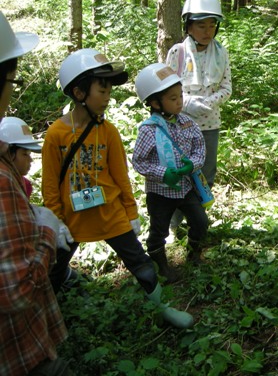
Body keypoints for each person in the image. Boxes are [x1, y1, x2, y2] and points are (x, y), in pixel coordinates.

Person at [41, 48, 193, 329]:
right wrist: (55, 221)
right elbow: (50, 183)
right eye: (102, 90)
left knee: (140, 263)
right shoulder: (56, 135)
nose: (108, 97)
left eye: (109, 90)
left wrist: (130, 211)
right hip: (72, 218)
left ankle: (163, 308)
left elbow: (120, 176)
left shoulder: (108, 131)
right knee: (53, 269)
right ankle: (46, 319)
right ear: (79, 93)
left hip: (110, 213)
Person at [0, 12, 73, 375]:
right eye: (12, 78)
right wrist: (46, 226)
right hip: (18, 352)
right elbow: (16, 290)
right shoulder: (2, 179)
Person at [132, 63, 209, 283]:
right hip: (160, 194)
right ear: (155, 103)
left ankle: (194, 254)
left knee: (200, 222)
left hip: (186, 188)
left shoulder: (187, 123)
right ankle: (161, 265)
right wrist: (162, 173)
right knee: (159, 230)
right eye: (173, 99)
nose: (179, 102)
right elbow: (139, 160)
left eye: (180, 96)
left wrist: (191, 165)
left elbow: (199, 148)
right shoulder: (149, 130)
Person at [165, 0, 232, 234]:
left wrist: (209, 102)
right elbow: (167, 88)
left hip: (210, 124)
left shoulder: (221, 52)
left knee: (205, 173)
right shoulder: (177, 53)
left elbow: (227, 87)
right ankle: (173, 224)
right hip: (180, 124)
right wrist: (188, 102)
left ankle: (198, 222)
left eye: (212, 25)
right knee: (181, 172)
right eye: (201, 25)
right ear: (189, 26)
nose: (207, 30)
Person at [0, 116, 43, 199]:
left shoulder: (26, 185)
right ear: (8, 153)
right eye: (25, 154)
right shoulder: (4, 184)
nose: (30, 160)